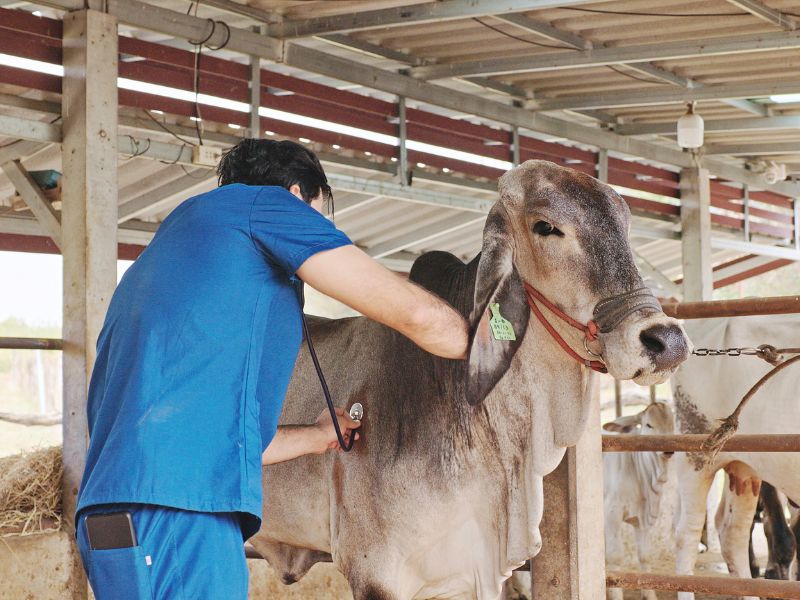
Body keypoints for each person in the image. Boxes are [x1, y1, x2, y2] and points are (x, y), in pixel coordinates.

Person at [74, 139, 469, 599]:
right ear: (299, 195)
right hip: (180, 515)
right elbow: (409, 312)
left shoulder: (180, 245)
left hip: (116, 519)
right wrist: (482, 342)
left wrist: (318, 436)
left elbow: (224, 443)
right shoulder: (266, 206)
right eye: (322, 217)